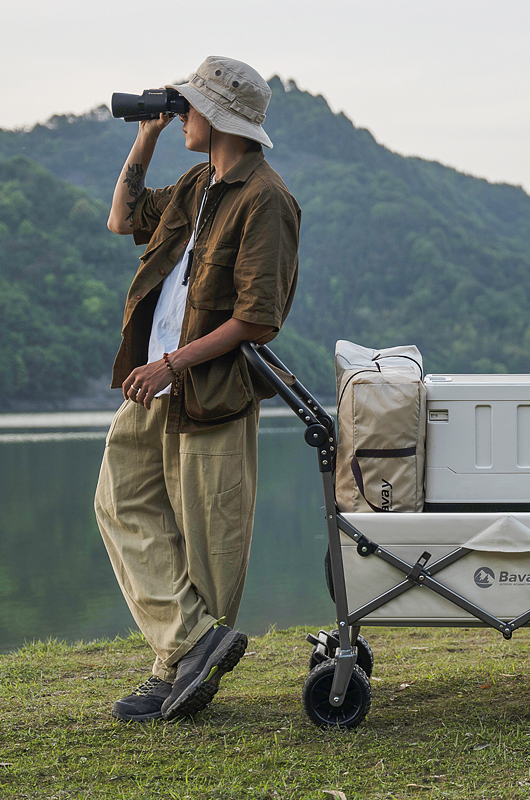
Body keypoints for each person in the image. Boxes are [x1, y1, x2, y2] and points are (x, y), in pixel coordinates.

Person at [95, 56, 300, 722]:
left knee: (208, 541)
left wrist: (175, 363)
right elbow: (123, 221)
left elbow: (259, 317)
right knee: (120, 504)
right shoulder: (194, 184)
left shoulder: (267, 198)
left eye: (186, 109)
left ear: (215, 117)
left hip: (205, 391)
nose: (180, 115)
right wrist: (145, 137)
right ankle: (191, 644)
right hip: (150, 383)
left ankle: (174, 674)